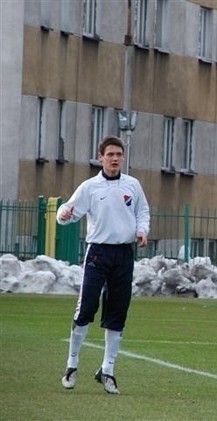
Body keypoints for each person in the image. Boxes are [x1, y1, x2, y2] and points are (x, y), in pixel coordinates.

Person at [58, 135, 150, 395]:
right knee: (86, 308)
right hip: (98, 253)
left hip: (124, 255)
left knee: (117, 312)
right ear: (101, 157)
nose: (115, 159)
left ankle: (107, 370)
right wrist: (63, 214)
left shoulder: (132, 185)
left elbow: (142, 211)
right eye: (110, 154)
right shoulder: (90, 187)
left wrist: (142, 229)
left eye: (118, 155)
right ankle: (72, 365)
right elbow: (67, 212)